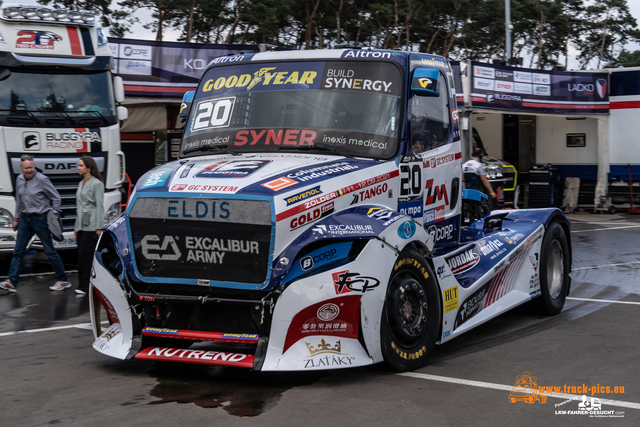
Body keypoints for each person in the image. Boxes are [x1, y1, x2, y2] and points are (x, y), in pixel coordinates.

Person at [0, 155, 71, 294]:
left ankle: (63, 280)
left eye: (31, 167)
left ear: (34, 166)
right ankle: (12, 282)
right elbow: (19, 201)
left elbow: (56, 198)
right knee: (18, 251)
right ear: (21, 168)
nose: (29, 170)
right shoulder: (19, 179)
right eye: (26, 168)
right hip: (25, 220)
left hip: (41, 219)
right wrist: (16, 219)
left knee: (49, 251)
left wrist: (54, 215)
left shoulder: (42, 179)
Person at [74, 156, 104, 295]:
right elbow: (79, 207)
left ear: (89, 167)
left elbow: (100, 206)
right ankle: (84, 285)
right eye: (78, 165)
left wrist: (99, 227)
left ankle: (85, 286)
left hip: (92, 225)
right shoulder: (81, 183)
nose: (78, 168)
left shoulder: (96, 184)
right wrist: (75, 226)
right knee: (81, 255)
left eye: (81, 165)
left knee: (86, 256)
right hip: (81, 225)